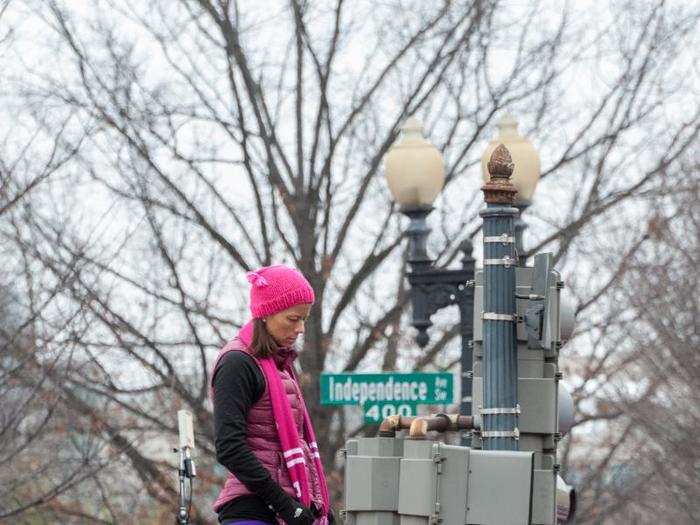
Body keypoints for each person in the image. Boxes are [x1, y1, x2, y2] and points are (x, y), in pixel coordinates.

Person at [211, 264, 333, 525]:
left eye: (304, 319)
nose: (300, 328)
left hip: (290, 505)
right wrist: (283, 503)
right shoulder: (237, 363)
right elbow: (229, 447)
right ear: (266, 314)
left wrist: (322, 509)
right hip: (252, 509)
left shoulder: (282, 367)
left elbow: (297, 444)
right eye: (293, 318)